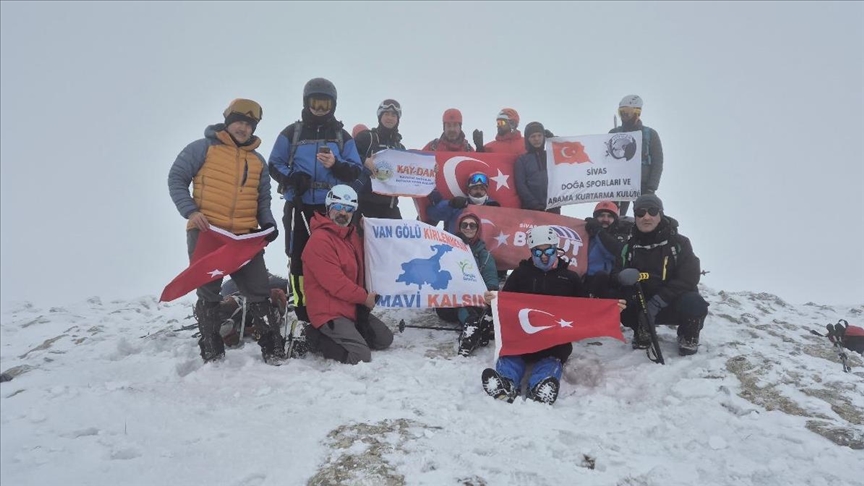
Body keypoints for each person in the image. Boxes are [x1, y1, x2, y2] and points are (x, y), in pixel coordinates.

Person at [168, 98, 285, 364]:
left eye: (249, 124)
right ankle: (212, 352)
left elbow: (262, 199)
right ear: (228, 121)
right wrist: (190, 211)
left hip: (244, 238)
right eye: (239, 122)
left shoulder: (258, 161)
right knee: (208, 293)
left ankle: (273, 351)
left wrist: (268, 224)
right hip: (207, 232)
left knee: (259, 292)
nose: (243, 128)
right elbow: (176, 178)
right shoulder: (202, 149)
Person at [481, 226, 623, 404]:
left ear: (556, 250)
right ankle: (506, 383)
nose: (544, 256)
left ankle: (541, 387)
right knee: (510, 357)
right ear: (531, 252)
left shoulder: (570, 278)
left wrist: (610, 309)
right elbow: (506, 303)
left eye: (548, 250)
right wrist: (493, 301)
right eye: (538, 252)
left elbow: (586, 309)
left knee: (550, 362)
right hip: (522, 338)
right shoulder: (520, 274)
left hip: (553, 342)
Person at [268, 77, 363, 325]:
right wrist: (292, 178)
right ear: (306, 103)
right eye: (315, 103)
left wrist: (336, 165)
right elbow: (274, 163)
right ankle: (301, 305)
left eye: (325, 104)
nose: (320, 109)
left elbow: (356, 170)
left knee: (335, 258)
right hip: (298, 203)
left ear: (333, 105)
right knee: (298, 255)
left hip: (331, 207)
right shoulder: (292, 133)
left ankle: (336, 303)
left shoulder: (341, 136)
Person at [301, 185, 394, 364]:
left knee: (384, 340)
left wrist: (369, 232)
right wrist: (364, 298)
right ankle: (313, 337)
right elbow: (336, 283)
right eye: (338, 207)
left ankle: (349, 333)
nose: (343, 212)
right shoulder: (320, 240)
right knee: (360, 356)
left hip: (351, 308)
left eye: (349, 209)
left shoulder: (351, 236)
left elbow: (369, 260)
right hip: (329, 312)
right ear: (329, 208)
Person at [612, 194, 708, 356]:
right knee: (621, 300)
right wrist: (621, 276)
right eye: (640, 213)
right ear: (635, 216)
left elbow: (689, 277)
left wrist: (658, 302)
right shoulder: (628, 247)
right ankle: (642, 329)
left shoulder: (680, 243)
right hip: (642, 302)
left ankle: (688, 334)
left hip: (672, 301)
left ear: (660, 214)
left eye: (652, 211)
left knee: (695, 302)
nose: (646, 217)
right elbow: (614, 273)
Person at [448, 213, 499, 357]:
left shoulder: (484, 254)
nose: (468, 228)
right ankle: (474, 325)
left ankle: (472, 329)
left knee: (471, 308)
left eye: (473, 225)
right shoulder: (448, 249)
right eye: (464, 225)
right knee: (459, 305)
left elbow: (490, 276)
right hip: (450, 300)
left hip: (475, 300)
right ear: (459, 228)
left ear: (478, 229)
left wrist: (492, 292)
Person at [610, 95, 664, 217]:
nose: (624, 116)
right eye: (621, 112)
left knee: (645, 212)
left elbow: (657, 162)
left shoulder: (650, 134)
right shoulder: (614, 133)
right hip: (619, 183)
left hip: (642, 184)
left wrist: (651, 187)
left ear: (637, 113)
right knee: (612, 213)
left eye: (627, 113)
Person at [355, 99, 406, 219]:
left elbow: (411, 171)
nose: (390, 118)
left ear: (398, 119)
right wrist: (364, 161)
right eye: (386, 114)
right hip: (364, 204)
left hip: (390, 207)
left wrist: (430, 170)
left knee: (399, 238)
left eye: (393, 115)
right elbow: (348, 156)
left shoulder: (400, 148)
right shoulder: (367, 138)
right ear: (380, 116)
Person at [583, 201, 633, 297]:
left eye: (610, 216)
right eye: (601, 215)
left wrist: (598, 230)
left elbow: (614, 252)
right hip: (584, 281)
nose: (605, 219)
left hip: (607, 283)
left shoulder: (621, 237)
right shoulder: (587, 234)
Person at [426, 171, 500, 235]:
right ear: (468, 190)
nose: (479, 191)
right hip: (456, 248)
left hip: (483, 250)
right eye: (475, 188)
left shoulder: (494, 207)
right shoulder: (458, 206)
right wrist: (450, 204)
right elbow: (433, 214)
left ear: (486, 191)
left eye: (482, 189)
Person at [513, 121, 559, 214]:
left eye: (539, 135)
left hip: (553, 206)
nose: (537, 139)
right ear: (527, 139)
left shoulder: (552, 156)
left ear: (544, 137)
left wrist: (555, 141)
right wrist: (533, 204)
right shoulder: (522, 160)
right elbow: (521, 185)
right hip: (531, 209)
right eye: (533, 136)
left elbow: (569, 155)